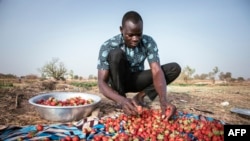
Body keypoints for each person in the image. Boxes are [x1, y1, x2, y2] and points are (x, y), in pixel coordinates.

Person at [97, 11, 181, 120]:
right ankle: (122, 98)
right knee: (115, 54)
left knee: (174, 68)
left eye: (139, 34)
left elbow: (156, 70)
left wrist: (163, 100)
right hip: (118, 82)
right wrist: (121, 100)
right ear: (121, 30)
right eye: (130, 35)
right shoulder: (108, 45)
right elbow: (101, 82)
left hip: (136, 80)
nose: (135, 38)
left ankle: (139, 97)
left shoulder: (148, 42)